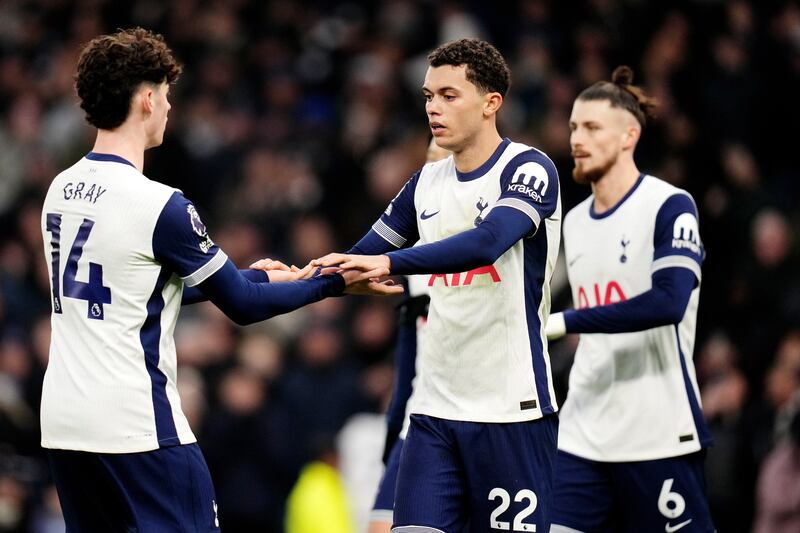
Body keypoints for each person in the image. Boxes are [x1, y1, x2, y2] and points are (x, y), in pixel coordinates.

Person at [39, 28, 400, 533]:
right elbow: (244, 307)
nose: (168, 108)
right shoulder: (159, 204)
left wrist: (249, 275)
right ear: (146, 99)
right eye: (165, 96)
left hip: (65, 425)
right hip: (136, 426)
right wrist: (333, 283)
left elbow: (133, 292)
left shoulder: (61, 189)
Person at [314, 38, 562, 532]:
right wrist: (291, 277)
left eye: (449, 95)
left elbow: (486, 242)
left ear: (492, 102)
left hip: (510, 411)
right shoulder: (424, 183)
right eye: (428, 96)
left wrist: (389, 263)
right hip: (433, 414)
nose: (433, 107)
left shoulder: (528, 169)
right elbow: (356, 262)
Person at [545, 66, 716, 532]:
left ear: (628, 136)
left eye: (592, 127)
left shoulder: (670, 206)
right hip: (584, 430)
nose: (577, 138)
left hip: (655, 430)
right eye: (574, 127)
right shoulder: (574, 222)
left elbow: (668, 302)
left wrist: (565, 321)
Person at [368, 139, 449, 533]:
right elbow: (409, 358)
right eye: (428, 159)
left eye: (444, 161)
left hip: (487, 419)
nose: (432, 170)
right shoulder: (414, 263)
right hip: (421, 418)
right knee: (381, 526)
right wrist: (392, 429)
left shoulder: (501, 245)